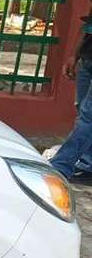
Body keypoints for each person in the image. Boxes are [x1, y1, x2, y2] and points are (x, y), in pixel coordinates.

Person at [50, 10, 92, 183]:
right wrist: (74, 56)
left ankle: (61, 165)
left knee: (88, 117)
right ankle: (87, 164)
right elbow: (88, 22)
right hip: (88, 58)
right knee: (82, 111)